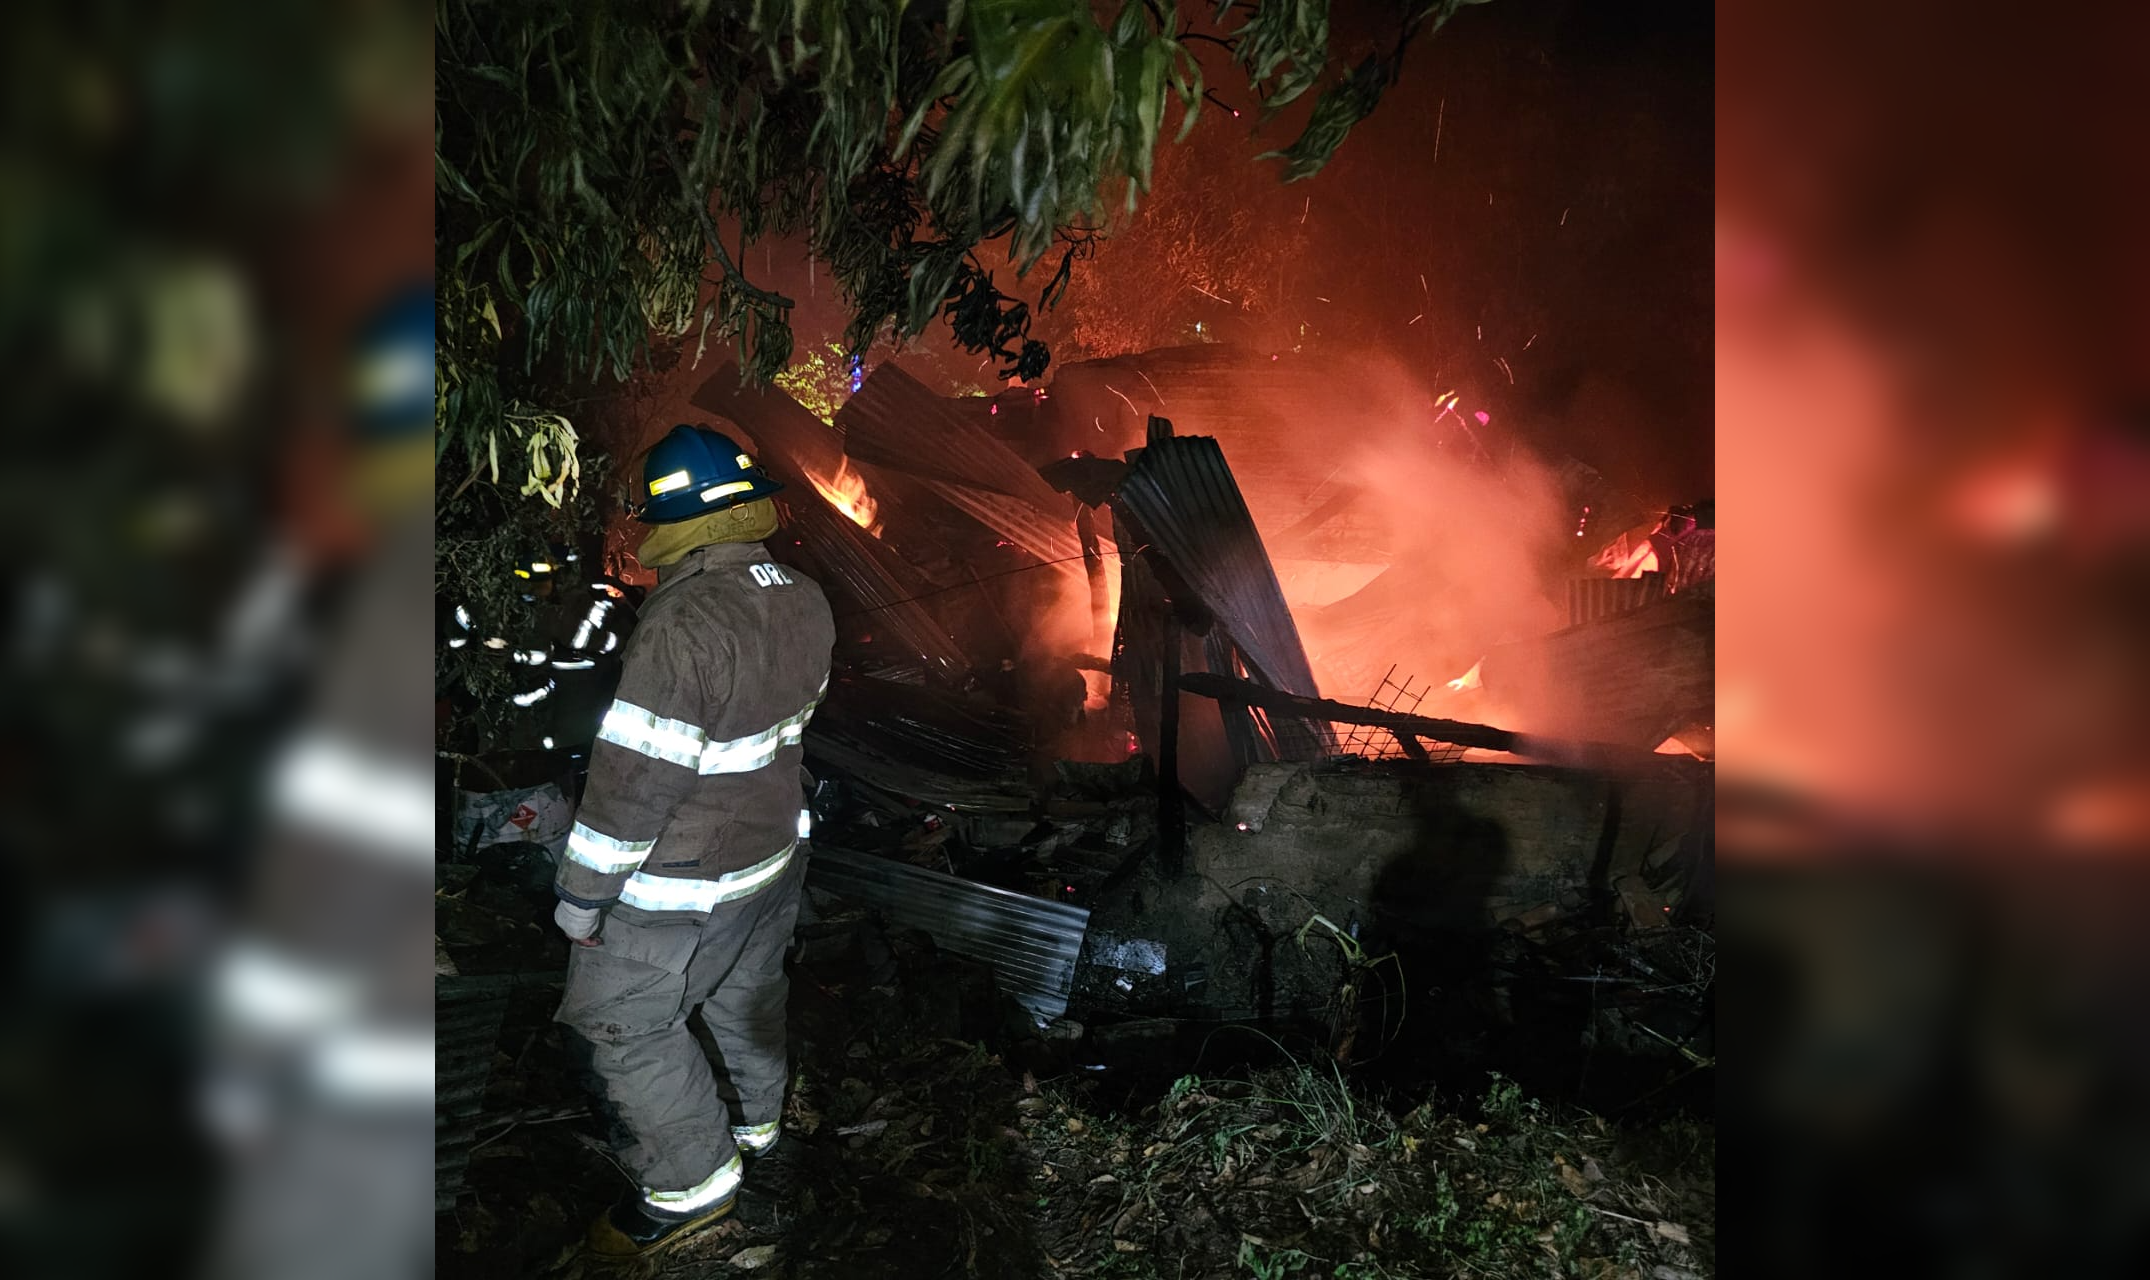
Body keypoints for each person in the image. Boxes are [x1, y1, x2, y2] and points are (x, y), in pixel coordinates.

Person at [551, 423, 835, 1256]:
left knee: (622, 1020)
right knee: (744, 995)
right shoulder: (804, 594)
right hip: (773, 855)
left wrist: (581, 896)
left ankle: (689, 1189)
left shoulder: (683, 621)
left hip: (683, 879)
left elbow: (636, 779)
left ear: (668, 523)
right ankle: (757, 1133)